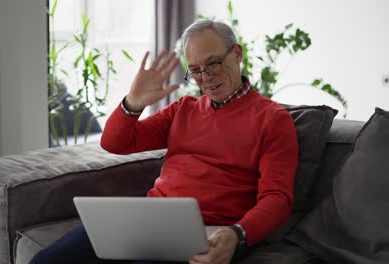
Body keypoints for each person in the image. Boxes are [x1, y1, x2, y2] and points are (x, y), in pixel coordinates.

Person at [31, 19, 298, 264]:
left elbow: (277, 199)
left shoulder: (273, 119)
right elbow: (115, 143)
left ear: (237, 54)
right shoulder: (183, 109)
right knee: (45, 261)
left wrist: (237, 234)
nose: (206, 77)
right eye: (195, 70)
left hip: (210, 232)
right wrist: (132, 104)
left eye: (214, 63)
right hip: (150, 220)